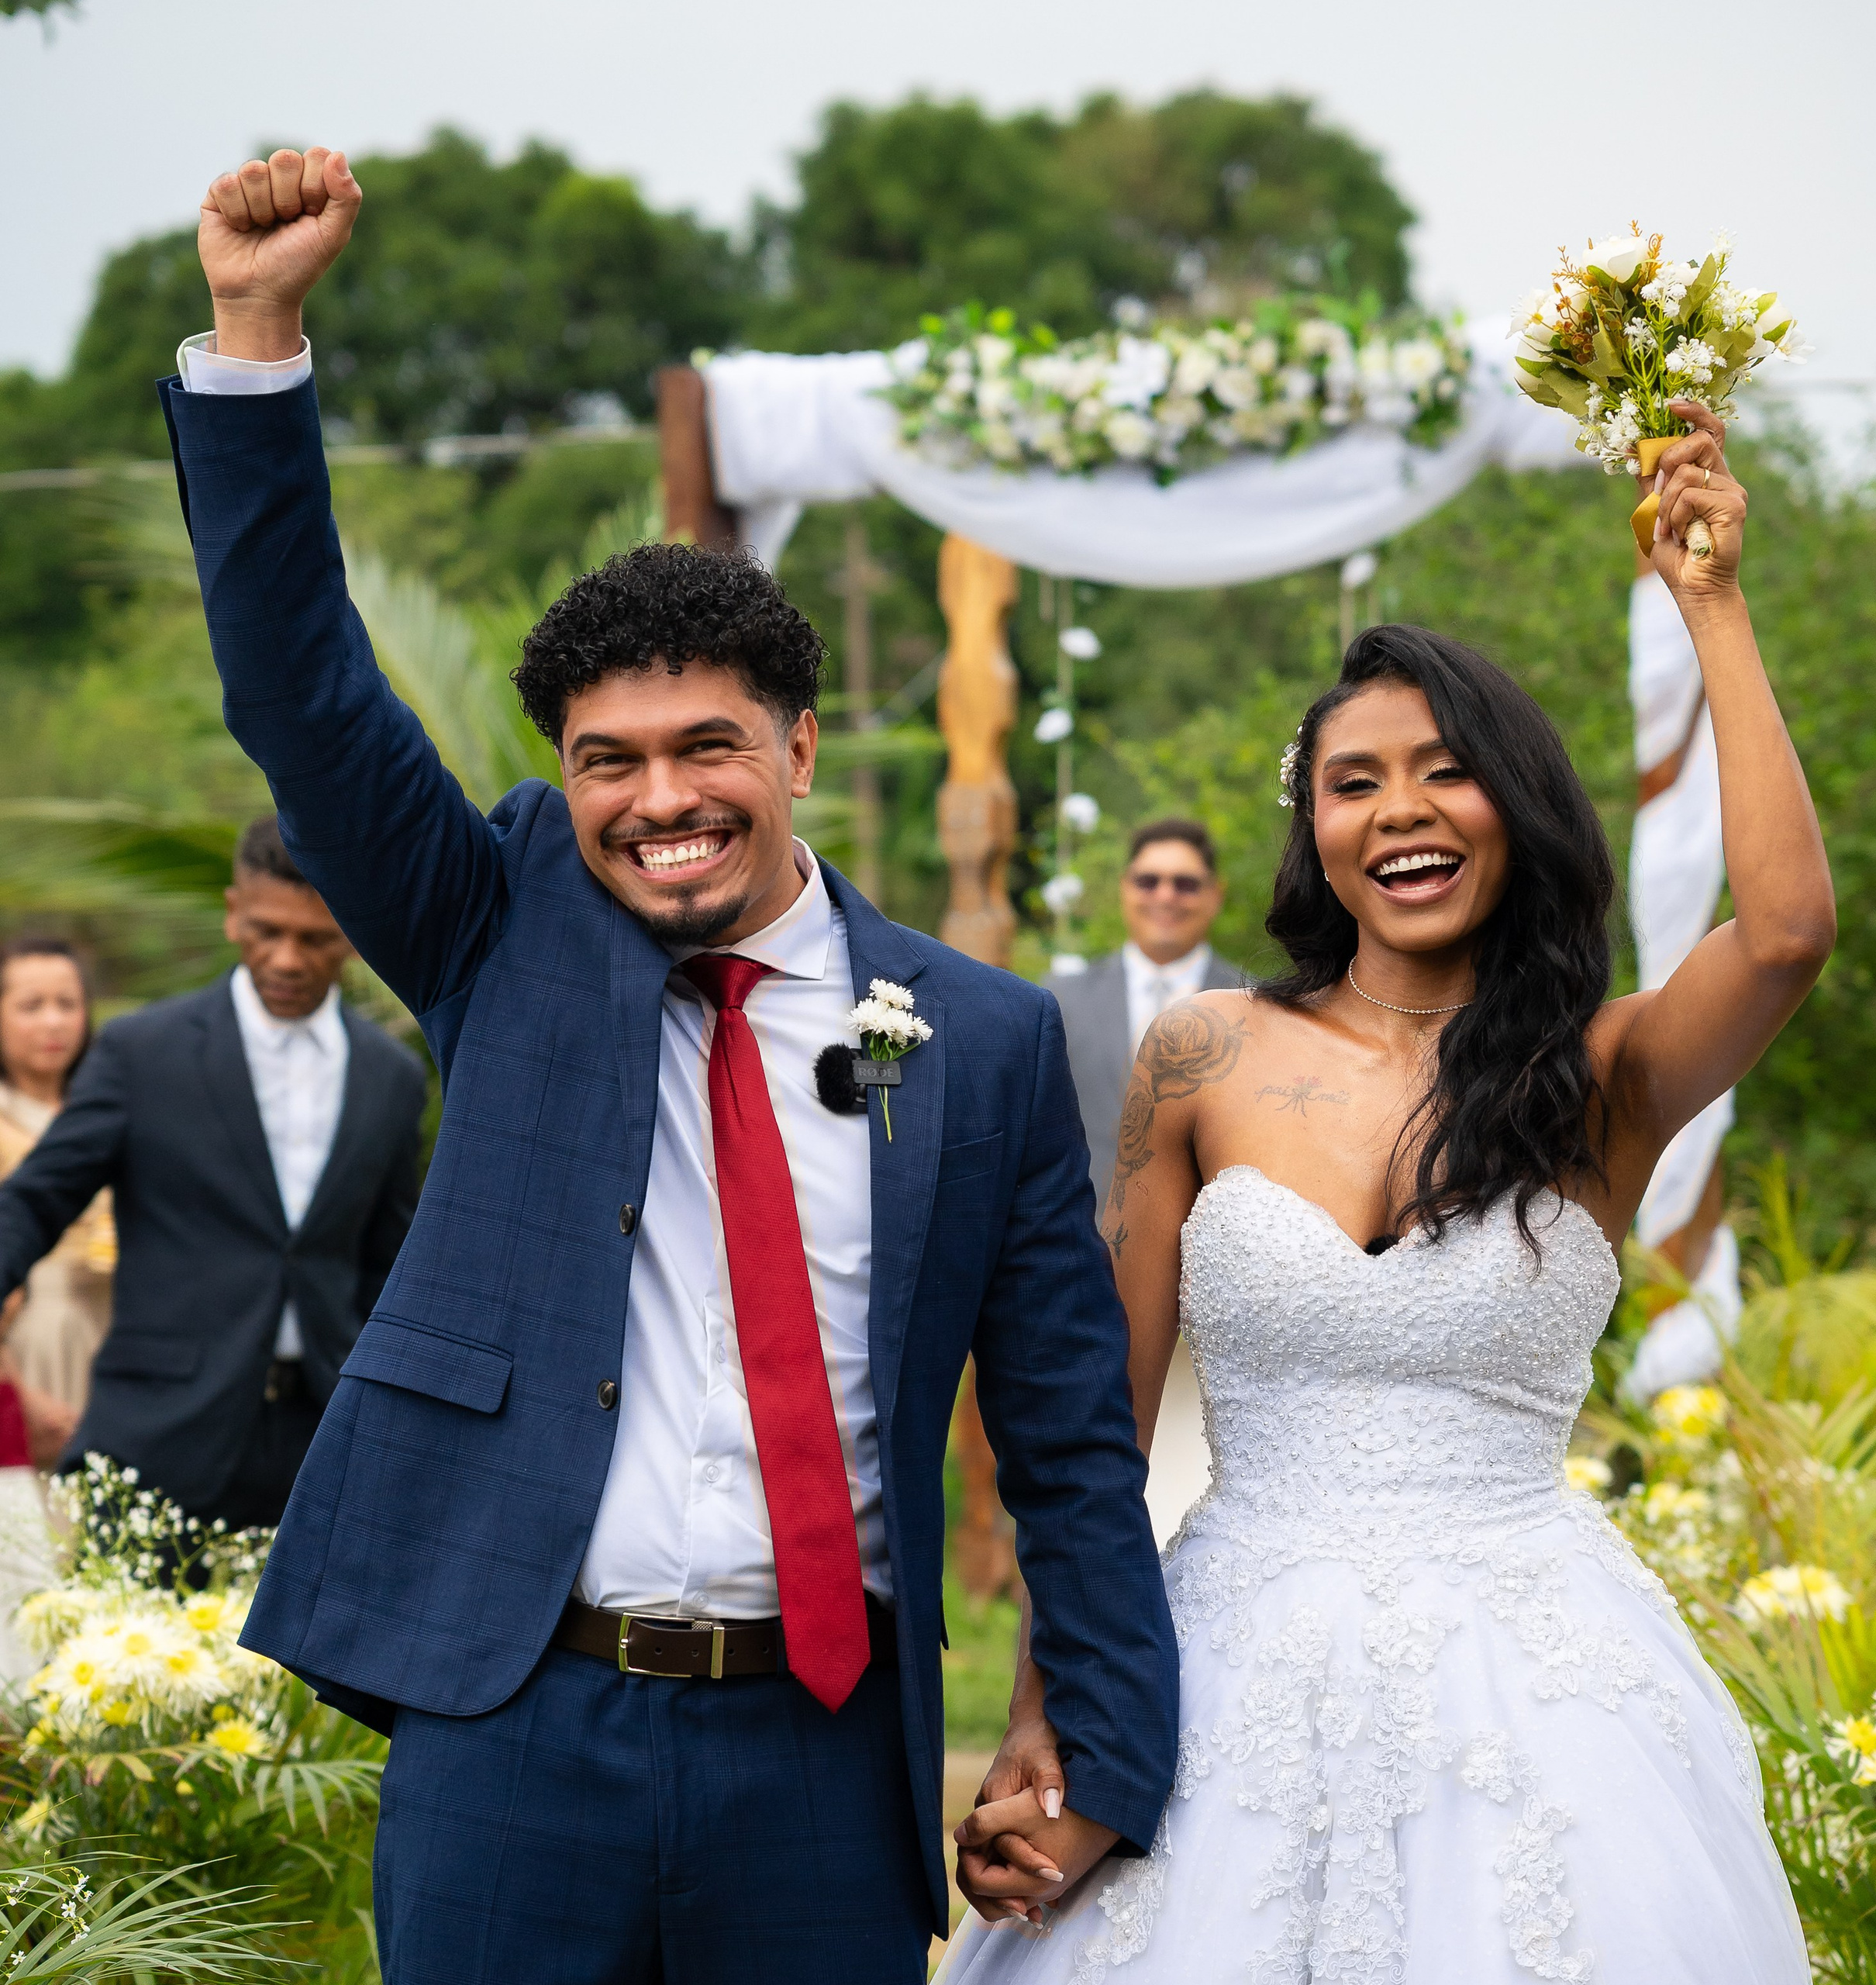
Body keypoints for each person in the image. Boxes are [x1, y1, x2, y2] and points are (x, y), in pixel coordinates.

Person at [161, 146, 1175, 1985]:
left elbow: (1065, 1433)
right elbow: (304, 692)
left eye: (706, 745)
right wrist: (253, 336)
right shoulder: (496, 919)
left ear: (797, 749)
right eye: (606, 760)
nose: (658, 799)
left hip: (819, 1754)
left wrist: (1096, 1751)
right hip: (512, 1730)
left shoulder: (978, 1035)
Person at [943, 414, 1823, 1980]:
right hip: (1222, 1665)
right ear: (1317, 834)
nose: (1400, 809)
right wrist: (1045, 1712)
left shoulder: (1602, 1072)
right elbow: (1099, 1427)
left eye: (1445, 773)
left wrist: (1713, 606)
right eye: (1355, 784)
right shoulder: (1201, 1053)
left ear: (1514, 808)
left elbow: (1784, 934)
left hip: (1534, 1691)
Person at [0, 820, 427, 1528]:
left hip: (325, 1446)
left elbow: (390, 1263)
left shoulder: (392, 1078)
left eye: (315, 938)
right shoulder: (141, 1051)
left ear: (354, 930)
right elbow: (36, 1200)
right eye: (266, 931)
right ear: (233, 914)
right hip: (157, 1437)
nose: (286, 959)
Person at [1051, 820, 1247, 1220]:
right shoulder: (1060, 1001)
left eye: (1185, 884)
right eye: (1148, 881)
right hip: (1082, 1234)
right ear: (1125, 888)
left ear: (1216, 894)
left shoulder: (1256, 1005)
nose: (1165, 895)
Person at [0, 939, 112, 1441]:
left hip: (117, 1330)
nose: (53, 1022)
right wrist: (18, 1393)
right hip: (34, 1342)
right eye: (31, 1006)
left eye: (67, 1004)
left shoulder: (109, 1109)